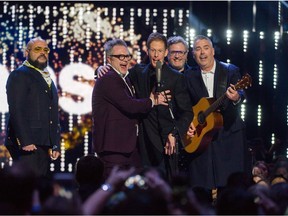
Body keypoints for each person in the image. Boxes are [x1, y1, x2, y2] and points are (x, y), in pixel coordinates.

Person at [97, 33, 193, 180]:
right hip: (141, 144)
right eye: (153, 50)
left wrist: (174, 134)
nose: (156, 55)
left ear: (166, 52)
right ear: (147, 51)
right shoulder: (138, 72)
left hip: (166, 143)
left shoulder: (177, 78)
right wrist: (100, 69)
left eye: (160, 51)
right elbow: (116, 77)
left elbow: (186, 113)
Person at [92, 38, 168, 178]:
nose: (125, 60)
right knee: (114, 191)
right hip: (113, 147)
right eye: (120, 56)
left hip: (127, 147)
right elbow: (129, 105)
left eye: (127, 56)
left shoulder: (124, 77)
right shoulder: (109, 79)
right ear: (109, 59)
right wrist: (152, 101)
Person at [185, 35, 249, 192]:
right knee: (201, 189)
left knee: (230, 189)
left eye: (206, 48)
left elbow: (241, 93)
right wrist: (189, 124)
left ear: (213, 51)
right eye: (198, 49)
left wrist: (236, 98)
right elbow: (186, 106)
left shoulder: (230, 71)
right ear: (193, 55)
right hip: (202, 139)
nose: (202, 53)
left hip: (228, 136)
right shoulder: (189, 76)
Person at [5, 37, 60, 178]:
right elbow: (17, 109)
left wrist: (55, 143)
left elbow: (52, 112)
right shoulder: (20, 74)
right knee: (27, 187)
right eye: (37, 49)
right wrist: (25, 140)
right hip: (28, 144)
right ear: (26, 52)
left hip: (43, 143)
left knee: (39, 186)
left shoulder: (47, 79)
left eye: (46, 50)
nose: (43, 52)